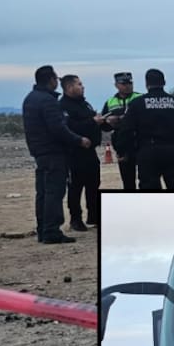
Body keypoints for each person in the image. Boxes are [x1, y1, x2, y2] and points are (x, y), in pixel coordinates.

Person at [22, 65, 91, 244]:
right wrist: (78, 140)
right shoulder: (48, 101)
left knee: (43, 192)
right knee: (54, 192)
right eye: (55, 78)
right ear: (51, 80)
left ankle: (43, 229)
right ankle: (52, 231)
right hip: (53, 152)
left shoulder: (30, 99)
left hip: (39, 152)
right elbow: (57, 128)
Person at [115, 69, 174, 190]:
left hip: (147, 153)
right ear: (164, 82)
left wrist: (122, 151)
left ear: (146, 84)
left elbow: (126, 130)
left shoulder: (137, 104)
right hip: (173, 152)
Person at [58, 74, 102, 231]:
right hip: (74, 153)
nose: (82, 87)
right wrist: (92, 122)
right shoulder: (63, 106)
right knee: (75, 187)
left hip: (90, 152)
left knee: (93, 184)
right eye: (79, 84)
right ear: (70, 87)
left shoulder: (85, 104)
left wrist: (101, 121)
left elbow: (91, 122)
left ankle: (94, 216)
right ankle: (75, 219)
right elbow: (69, 127)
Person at [99, 72, 142, 190]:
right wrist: (107, 122)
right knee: (128, 182)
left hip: (140, 143)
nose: (128, 86)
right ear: (116, 85)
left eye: (130, 83)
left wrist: (119, 119)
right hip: (122, 145)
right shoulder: (110, 102)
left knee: (146, 179)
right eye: (124, 84)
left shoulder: (140, 97)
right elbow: (104, 125)